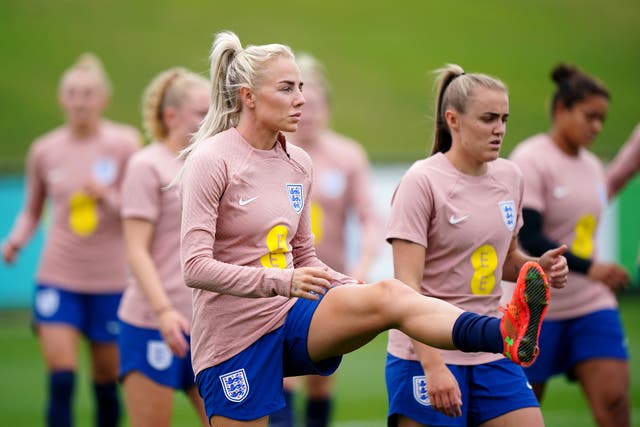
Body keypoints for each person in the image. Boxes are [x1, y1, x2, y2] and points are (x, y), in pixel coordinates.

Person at [178, 31, 555, 427]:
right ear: (248, 96)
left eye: (301, 88)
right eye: (287, 88)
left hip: (289, 315)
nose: (301, 99)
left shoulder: (298, 162)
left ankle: (502, 333)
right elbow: (195, 268)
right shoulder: (213, 159)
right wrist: (283, 281)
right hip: (234, 337)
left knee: (390, 294)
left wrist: (348, 286)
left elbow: (304, 256)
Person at [384, 64, 569, 427]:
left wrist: (537, 266)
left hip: (493, 346)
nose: (499, 129)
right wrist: (434, 367)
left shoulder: (510, 176)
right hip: (428, 354)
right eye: (488, 119)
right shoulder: (421, 181)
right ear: (453, 119)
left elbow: (506, 261)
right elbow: (405, 290)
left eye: (504, 118)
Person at [1, 53, 140, 427]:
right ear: (62, 99)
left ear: (103, 99)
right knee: (61, 376)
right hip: (58, 275)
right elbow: (32, 209)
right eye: (73, 94)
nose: (80, 101)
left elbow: (140, 207)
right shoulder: (45, 150)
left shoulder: (124, 143)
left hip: (110, 280)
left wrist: (107, 197)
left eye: (88, 94)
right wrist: (15, 240)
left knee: (106, 382)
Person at [509, 63, 631, 427]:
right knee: (520, 413)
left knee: (614, 402)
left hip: (590, 304)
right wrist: (593, 268)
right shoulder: (531, 158)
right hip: (537, 307)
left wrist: (590, 275)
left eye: (602, 120)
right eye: (589, 116)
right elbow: (529, 235)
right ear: (562, 110)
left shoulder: (593, 165)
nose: (596, 127)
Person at [270, 53, 382, 427]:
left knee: (320, 380)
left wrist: (361, 267)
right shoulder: (272, 153)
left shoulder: (347, 155)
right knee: (283, 376)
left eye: (318, 105)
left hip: (327, 283)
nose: (311, 113)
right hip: (282, 283)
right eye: (305, 104)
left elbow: (370, 219)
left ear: (329, 109)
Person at [117, 67, 210, 427]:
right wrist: (162, 310)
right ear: (170, 117)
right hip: (151, 323)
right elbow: (135, 250)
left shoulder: (212, 163)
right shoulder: (146, 165)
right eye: (201, 112)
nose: (210, 118)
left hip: (207, 325)